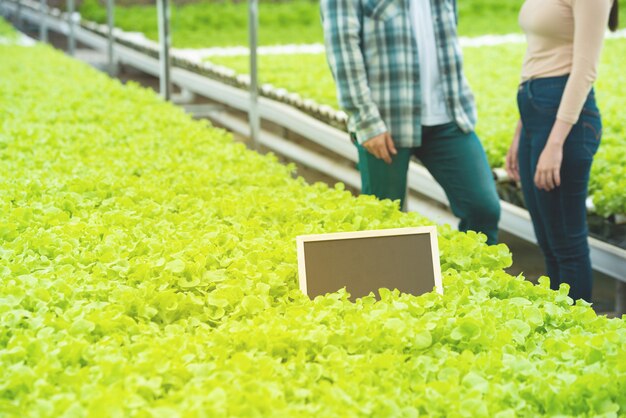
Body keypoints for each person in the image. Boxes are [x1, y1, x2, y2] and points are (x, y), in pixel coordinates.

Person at [320, 0, 501, 245]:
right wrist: (366, 119)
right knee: (384, 225)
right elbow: (342, 49)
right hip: (386, 123)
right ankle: (385, 282)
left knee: (483, 208)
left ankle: (473, 278)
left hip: (448, 116)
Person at [506, 0, 618, 301]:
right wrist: (521, 132)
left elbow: (584, 71)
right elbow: (537, 57)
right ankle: (557, 328)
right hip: (535, 113)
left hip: (566, 121)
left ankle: (575, 331)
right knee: (548, 240)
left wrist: (555, 144)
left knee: (567, 244)